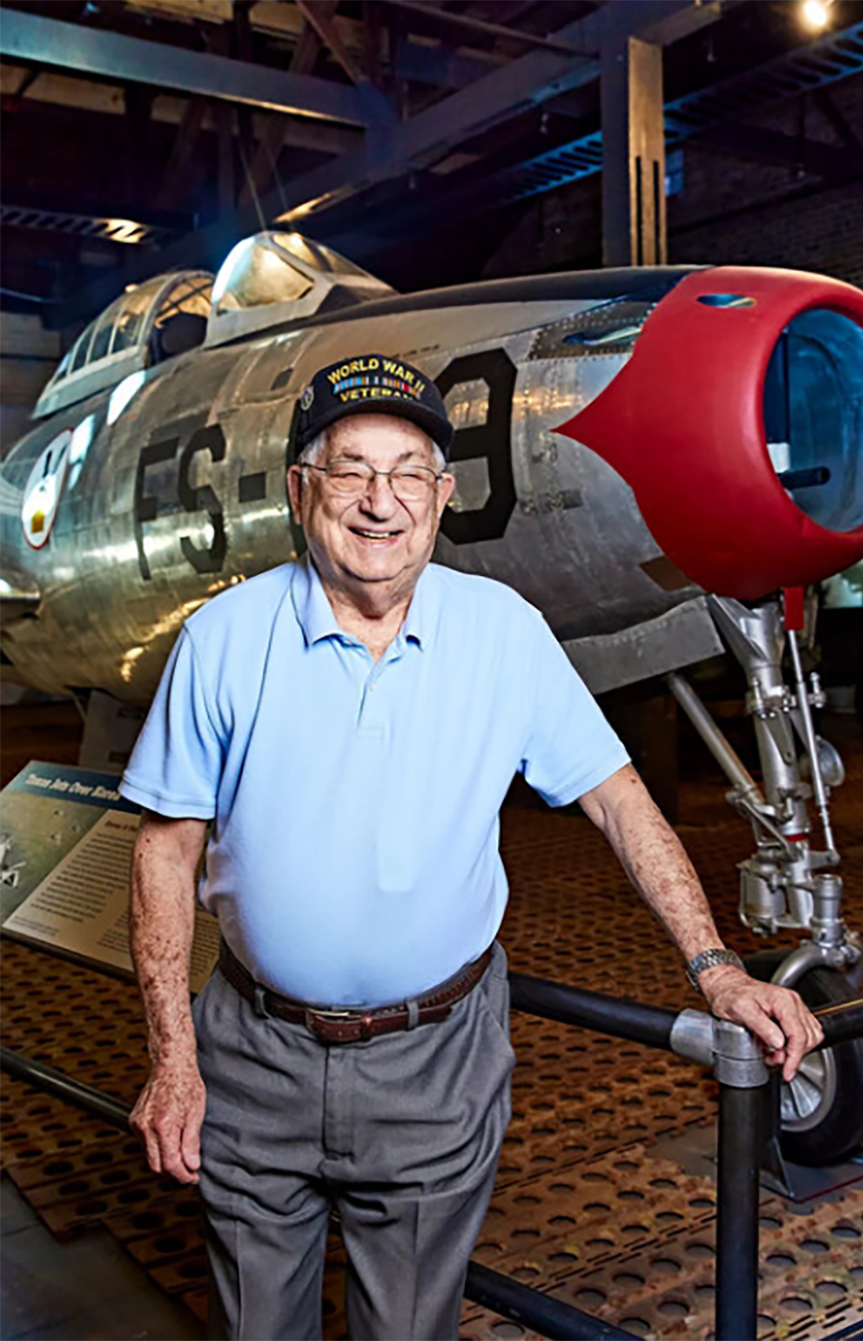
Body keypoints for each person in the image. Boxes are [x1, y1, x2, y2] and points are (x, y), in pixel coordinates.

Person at [121, 353, 824, 1341]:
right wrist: (175, 1060)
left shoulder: (505, 633)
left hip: (436, 1067)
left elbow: (619, 801)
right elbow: (163, 849)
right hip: (254, 1057)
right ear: (299, 490)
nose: (380, 501)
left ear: (443, 496)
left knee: (411, 1325)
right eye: (349, 470)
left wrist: (715, 971)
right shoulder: (224, 640)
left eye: (408, 472)